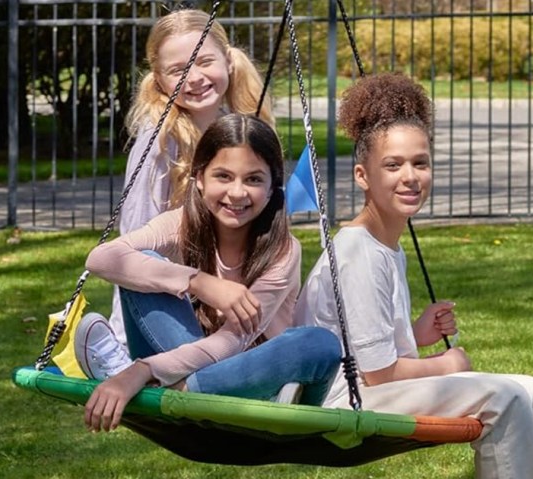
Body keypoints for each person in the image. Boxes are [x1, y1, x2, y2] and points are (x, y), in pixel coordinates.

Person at [295, 73, 533, 479]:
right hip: (345, 402)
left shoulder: (388, 246)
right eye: (393, 165)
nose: (411, 176)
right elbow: (379, 373)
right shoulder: (357, 252)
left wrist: (416, 336)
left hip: (373, 388)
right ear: (363, 175)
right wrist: (447, 363)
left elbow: (368, 344)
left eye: (420, 163)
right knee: (505, 397)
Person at [78, 113, 340, 431]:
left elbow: (231, 343)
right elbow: (102, 258)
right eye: (223, 176)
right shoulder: (180, 223)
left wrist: (139, 372)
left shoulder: (283, 251)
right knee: (142, 260)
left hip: (246, 380)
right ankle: (176, 391)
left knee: (319, 344)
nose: (237, 193)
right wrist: (199, 282)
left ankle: (167, 392)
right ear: (199, 178)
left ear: (273, 187)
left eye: (254, 179)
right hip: (185, 361)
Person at [109, 7, 276, 349]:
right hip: (165, 310)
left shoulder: (240, 128)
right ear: (159, 80)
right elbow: (132, 251)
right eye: (178, 70)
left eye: (204, 62)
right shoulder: (159, 144)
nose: (195, 78)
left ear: (229, 61)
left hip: (226, 308)